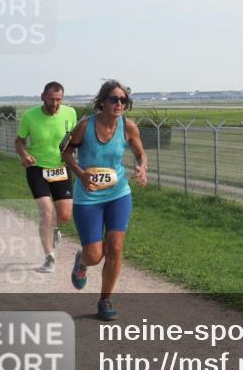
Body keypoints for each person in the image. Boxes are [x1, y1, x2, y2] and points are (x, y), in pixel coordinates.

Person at [62, 80, 147, 320]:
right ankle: (82, 261)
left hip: (118, 193)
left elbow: (140, 154)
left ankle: (105, 300)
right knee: (94, 255)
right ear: (102, 102)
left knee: (116, 247)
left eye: (123, 100)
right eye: (114, 99)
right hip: (87, 197)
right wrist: (81, 174)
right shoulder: (84, 126)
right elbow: (66, 152)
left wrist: (142, 168)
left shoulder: (128, 127)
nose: (119, 103)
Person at [15, 81, 78, 273]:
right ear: (43, 97)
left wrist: (73, 153)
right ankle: (49, 257)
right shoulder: (30, 116)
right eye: (51, 99)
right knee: (46, 212)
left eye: (58, 99)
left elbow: (74, 138)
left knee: (65, 216)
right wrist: (24, 155)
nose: (55, 103)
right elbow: (19, 141)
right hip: (37, 168)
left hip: (61, 168)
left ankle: (55, 229)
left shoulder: (71, 113)